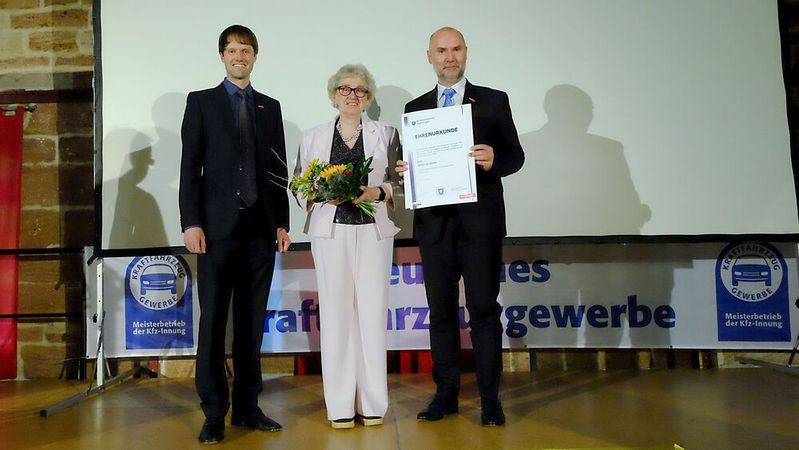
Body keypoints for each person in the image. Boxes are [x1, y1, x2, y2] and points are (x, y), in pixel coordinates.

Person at [397, 26, 525, 426]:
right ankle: (446, 394)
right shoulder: (415, 108)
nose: (449, 57)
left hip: (480, 225)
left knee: (484, 310)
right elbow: (410, 166)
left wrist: (493, 160)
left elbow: (515, 156)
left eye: (455, 50)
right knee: (441, 313)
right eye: (441, 51)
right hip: (434, 227)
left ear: (465, 53)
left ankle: (490, 398)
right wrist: (405, 171)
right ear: (430, 57)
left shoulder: (492, 100)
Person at [179, 24, 291, 444]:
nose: (238, 56)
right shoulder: (202, 103)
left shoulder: (270, 106)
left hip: (260, 231)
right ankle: (213, 411)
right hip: (215, 232)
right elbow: (191, 167)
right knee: (213, 323)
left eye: (245, 50)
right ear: (222, 56)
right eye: (231, 50)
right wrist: (191, 223)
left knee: (250, 324)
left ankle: (247, 407)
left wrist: (282, 222)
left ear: (255, 56)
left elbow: (278, 172)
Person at [293, 64, 400, 429]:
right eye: (345, 89)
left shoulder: (386, 134)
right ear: (333, 94)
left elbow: (399, 183)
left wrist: (378, 191)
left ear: (368, 97)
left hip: (373, 232)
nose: (352, 96)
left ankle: (372, 403)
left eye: (360, 90)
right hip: (331, 232)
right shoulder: (312, 137)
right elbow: (298, 185)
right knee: (337, 316)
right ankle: (339, 404)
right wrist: (320, 193)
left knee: (372, 315)